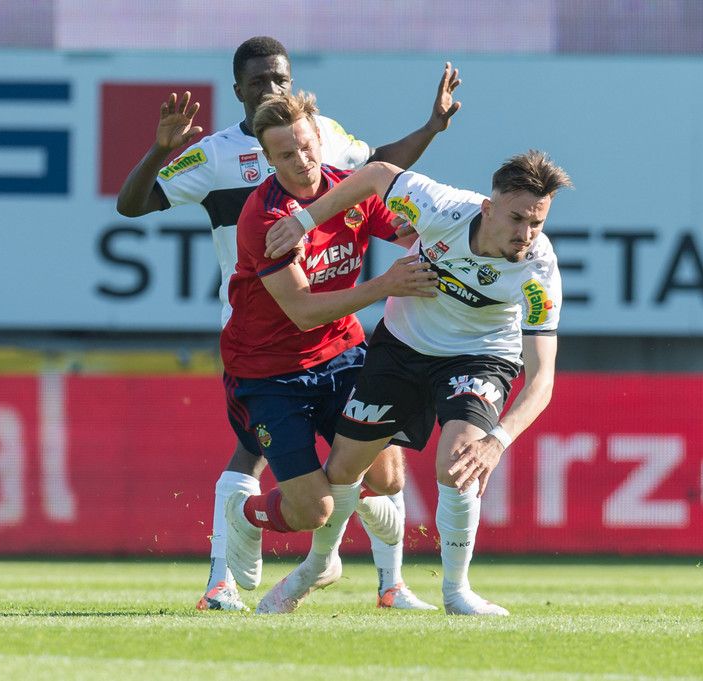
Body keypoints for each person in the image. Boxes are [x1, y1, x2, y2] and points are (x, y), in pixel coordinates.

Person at [116, 36, 460, 612]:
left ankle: (388, 584)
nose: (271, 90)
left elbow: (383, 177)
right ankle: (236, 554)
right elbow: (134, 203)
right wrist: (158, 151)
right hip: (265, 350)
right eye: (258, 82)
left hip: (338, 344)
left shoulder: (330, 146)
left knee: (385, 473)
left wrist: (436, 150)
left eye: (280, 79)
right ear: (240, 96)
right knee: (284, 483)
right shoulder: (236, 178)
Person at [259, 149, 570, 615]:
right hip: (402, 347)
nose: (526, 234)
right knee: (343, 471)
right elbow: (376, 174)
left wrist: (497, 442)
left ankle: (456, 591)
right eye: (517, 219)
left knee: (460, 462)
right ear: (488, 208)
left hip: (479, 356)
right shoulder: (442, 208)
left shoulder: (538, 272)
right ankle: (319, 565)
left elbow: (542, 379)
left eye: (537, 223)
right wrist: (303, 221)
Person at [219, 90, 445, 615]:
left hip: (341, 355)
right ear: (268, 160)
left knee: (387, 477)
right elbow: (302, 311)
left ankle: (387, 582)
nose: (301, 160)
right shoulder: (264, 218)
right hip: (269, 374)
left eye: (305, 146)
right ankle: (247, 515)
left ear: (318, 137)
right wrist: (385, 285)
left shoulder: (349, 190)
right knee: (313, 510)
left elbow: (411, 232)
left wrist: (447, 231)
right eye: (285, 154)